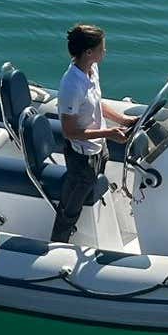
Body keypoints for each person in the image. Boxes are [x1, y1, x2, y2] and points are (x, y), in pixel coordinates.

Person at [51, 23, 135, 243]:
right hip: (81, 156)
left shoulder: (92, 70)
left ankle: (88, 231)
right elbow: (69, 131)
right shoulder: (71, 86)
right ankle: (56, 246)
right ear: (89, 52)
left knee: (91, 190)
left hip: (99, 148)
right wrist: (108, 132)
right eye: (102, 48)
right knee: (69, 210)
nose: (105, 52)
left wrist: (123, 120)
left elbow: (97, 102)